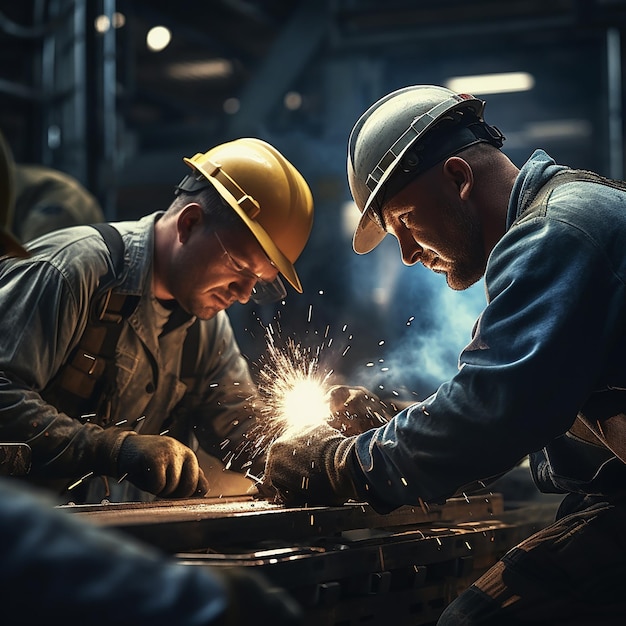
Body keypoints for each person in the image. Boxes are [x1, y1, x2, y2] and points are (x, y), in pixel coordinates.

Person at [264, 85, 626, 624]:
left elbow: (491, 413)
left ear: (458, 178)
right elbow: (508, 400)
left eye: (406, 221)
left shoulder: (556, 233)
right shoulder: (555, 225)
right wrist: (388, 428)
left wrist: (343, 464)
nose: (408, 253)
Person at [0, 135, 302, 626]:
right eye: (241, 270)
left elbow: (242, 429)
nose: (246, 294)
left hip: (111, 554)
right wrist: (113, 449)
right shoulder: (74, 271)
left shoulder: (206, 323)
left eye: (260, 282)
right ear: (189, 223)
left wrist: (320, 451)